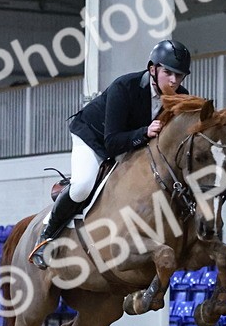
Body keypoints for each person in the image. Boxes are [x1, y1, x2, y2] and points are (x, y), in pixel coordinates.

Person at [28, 39, 192, 269]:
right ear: (152, 69)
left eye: (180, 75)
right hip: (94, 138)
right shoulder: (125, 87)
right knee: (83, 185)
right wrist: (145, 132)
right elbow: (112, 142)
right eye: (168, 73)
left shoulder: (180, 97)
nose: (174, 81)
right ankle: (46, 235)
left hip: (132, 144)